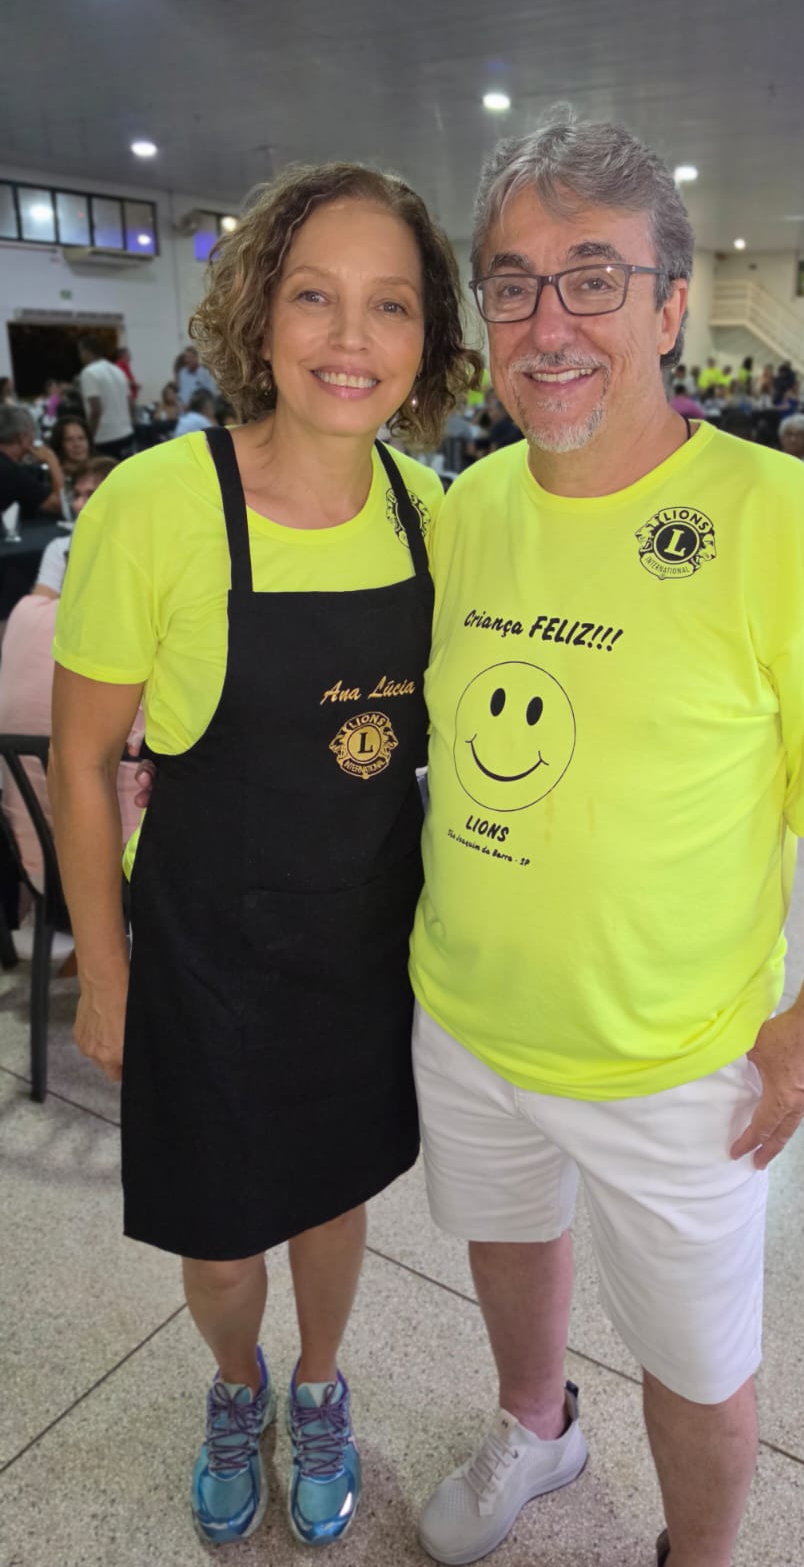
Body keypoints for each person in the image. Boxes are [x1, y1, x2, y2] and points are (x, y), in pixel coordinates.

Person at [409, 110, 804, 1567]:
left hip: (681, 1062)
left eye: (595, 277)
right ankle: (538, 1427)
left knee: (699, 1366)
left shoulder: (771, 515)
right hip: (472, 1017)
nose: (548, 323)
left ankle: (700, 1554)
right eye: (513, 280)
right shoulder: (470, 508)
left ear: (672, 305)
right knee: (507, 1242)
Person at [49, 160, 480, 1550]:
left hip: (362, 946)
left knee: (330, 1196)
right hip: (203, 951)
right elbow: (79, 760)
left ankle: (319, 1381)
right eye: (315, 297)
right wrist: (102, 973)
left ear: (426, 340)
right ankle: (235, 1385)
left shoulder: (435, 515)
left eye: (390, 306)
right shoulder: (158, 505)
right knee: (224, 1234)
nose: (350, 339)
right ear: (258, 312)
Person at [0, 458, 139, 896]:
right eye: (78, 494)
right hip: (124, 872)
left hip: (36, 866)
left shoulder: (24, 616)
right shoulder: (136, 641)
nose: (82, 503)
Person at [33, 458, 117, 599]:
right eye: (77, 495)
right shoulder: (62, 549)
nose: (78, 504)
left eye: (91, 495)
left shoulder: (143, 547)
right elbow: (39, 607)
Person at [0, 404, 64, 519]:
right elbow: (58, 505)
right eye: (32, 433)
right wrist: (51, 459)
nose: (34, 438)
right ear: (22, 437)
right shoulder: (12, 473)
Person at [77, 335, 134, 458]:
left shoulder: (89, 373)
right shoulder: (118, 370)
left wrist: (89, 437)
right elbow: (130, 402)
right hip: (126, 433)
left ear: (86, 351)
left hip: (105, 438)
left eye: (80, 352)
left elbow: (96, 409)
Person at [176, 344, 217, 408]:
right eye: (186, 357)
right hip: (185, 409)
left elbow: (212, 392)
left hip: (202, 408)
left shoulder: (205, 372)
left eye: (190, 357)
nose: (188, 360)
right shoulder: (183, 373)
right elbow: (181, 392)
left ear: (196, 358)